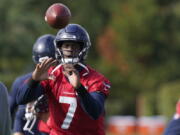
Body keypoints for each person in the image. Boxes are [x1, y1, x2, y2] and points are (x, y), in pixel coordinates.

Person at [16, 23, 111, 135]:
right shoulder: (52, 75)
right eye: (66, 46)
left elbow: (95, 112)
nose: (70, 50)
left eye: (74, 46)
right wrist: (34, 79)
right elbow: (21, 99)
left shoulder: (95, 79)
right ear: (59, 48)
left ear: (83, 48)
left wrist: (79, 88)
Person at [9, 34, 56, 135]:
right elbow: (13, 112)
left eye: (50, 64)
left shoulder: (64, 82)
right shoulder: (23, 82)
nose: (46, 68)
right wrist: (17, 131)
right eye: (43, 63)